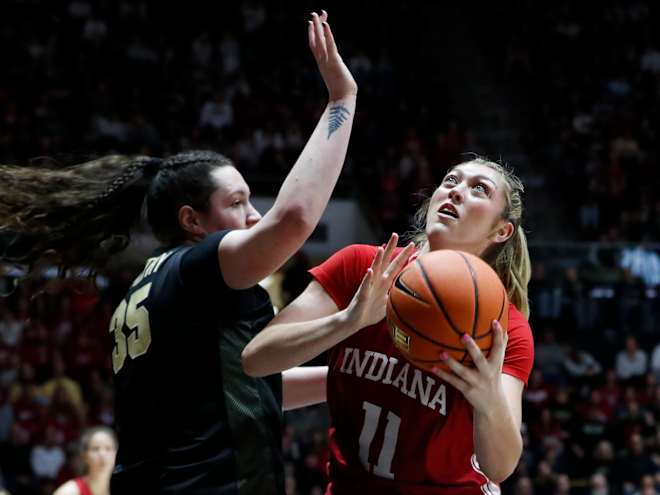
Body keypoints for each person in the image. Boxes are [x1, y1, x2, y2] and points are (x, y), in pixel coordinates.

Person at [0, 10, 357, 494]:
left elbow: (246, 386)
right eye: (237, 203)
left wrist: (352, 375)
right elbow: (292, 219)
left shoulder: (148, 286)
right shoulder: (197, 266)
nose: (254, 215)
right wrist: (341, 99)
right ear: (191, 221)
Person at [243, 157, 535, 494]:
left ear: (502, 231)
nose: (456, 192)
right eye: (451, 180)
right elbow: (255, 359)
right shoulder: (361, 267)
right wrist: (348, 321)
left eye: (479, 189)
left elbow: (500, 465)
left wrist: (489, 402)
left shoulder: (502, 327)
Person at [53, 426, 117, 495]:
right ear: (84, 456)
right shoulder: (69, 491)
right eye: (95, 449)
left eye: (108, 448)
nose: (102, 454)